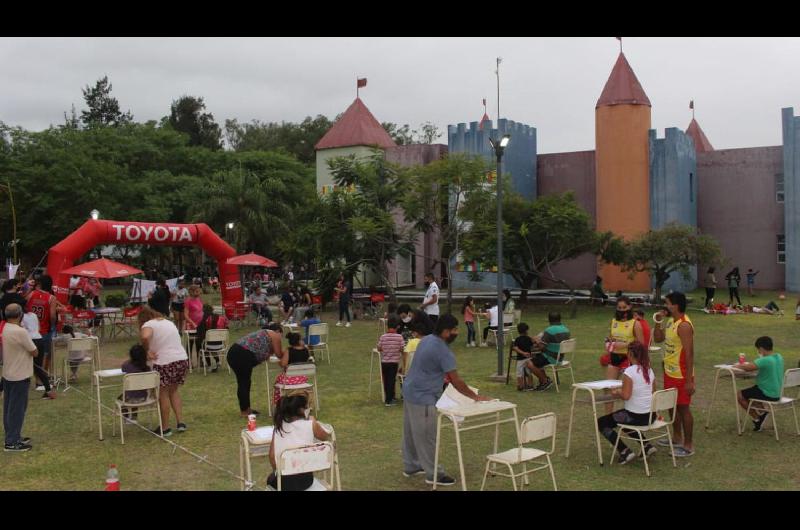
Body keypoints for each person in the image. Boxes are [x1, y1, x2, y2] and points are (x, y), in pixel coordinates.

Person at [402, 314, 491, 486]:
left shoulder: (426, 339)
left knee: (412, 432)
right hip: (423, 396)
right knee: (427, 436)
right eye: (454, 330)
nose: (457, 332)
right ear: (445, 332)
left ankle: (411, 465)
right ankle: (434, 474)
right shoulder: (443, 351)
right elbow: (456, 381)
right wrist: (475, 397)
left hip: (410, 390)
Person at [597, 341, 657, 464]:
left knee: (602, 423)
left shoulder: (629, 371)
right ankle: (646, 445)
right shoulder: (649, 370)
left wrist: (617, 392)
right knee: (621, 418)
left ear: (630, 354)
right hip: (651, 416)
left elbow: (626, 396)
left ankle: (624, 451)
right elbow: (653, 392)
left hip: (636, 417)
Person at [653, 291, 695, 457]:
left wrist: (689, 380)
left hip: (681, 373)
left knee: (683, 408)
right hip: (669, 371)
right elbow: (658, 339)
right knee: (671, 405)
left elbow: (690, 353)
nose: (665, 306)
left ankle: (688, 445)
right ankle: (677, 437)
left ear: (675, 305)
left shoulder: (684, 325)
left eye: (667, 303)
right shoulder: (671, 321)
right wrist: (657, 322)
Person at [138, 305, 189, 437]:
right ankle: (180, 422)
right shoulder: (168, 322)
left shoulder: (148, 324)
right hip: (181, 359)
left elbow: (144, 337)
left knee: (163, 394)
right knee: (174, 391)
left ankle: (165, 428)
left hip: (164, 362)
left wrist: (147, 350)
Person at [268, 394, 331, 491]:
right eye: (307, 407)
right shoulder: (311, 423)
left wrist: (278, 471)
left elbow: (272, 457)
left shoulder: (278, 428)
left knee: (271, 478)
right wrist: (313, 420)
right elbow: (325, 436)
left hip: (283, 482)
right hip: (306, 480)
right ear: (301, 410)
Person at [227, 323, 285, 417]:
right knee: (244, 382)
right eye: (282, 334)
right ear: (278, 331)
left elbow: (269, 351)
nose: (281, 338)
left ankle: (246, 408)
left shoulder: (265, 334)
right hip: (241, 354)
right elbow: (279, 354)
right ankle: (244, 411)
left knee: (245, 382)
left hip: (236, 352)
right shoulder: (275, 335)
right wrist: (288, 352)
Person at [734, 336, 785, 431]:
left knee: (740, 395)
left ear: (761, 348)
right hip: (778, 392)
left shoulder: (765, 360)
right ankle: (763, 413)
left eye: (758, 350)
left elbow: (749, 367)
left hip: (767, 392)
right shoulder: (779, 357)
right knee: (754, 392)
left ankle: (757, 418)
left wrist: (737, 365)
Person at [24, 275, 58, 385]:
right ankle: (41, 380)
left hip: (29, 331)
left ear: (40, 284)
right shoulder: (51, 298)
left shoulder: (31, 294)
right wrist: (52, 325)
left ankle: (30, 378)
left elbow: (23, 306)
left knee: (30, 356)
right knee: (45, 355)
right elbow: (53, 316)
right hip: (44, 330)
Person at [529, 312, 571, 391]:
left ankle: (545, 381)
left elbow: (541, 347)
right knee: (538, 359)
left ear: (549, 320)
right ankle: (544, 379)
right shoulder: (566, 330)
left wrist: (537, 341)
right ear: (560, 319)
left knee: (529, 363)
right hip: (560, 357)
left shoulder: (549, 330)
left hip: (551, 358)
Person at [21, 305, 55, 399]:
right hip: (39, 339)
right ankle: (47, 389)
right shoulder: (33, 315)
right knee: (38, 367)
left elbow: (21, 330)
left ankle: (47, 389)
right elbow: (38, 327)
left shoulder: (21, 316)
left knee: (32, 367)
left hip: (31, 340)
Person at [272, 332, 312, 406]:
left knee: (276, 384)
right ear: (299, 341)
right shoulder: (306, 350)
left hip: (288, 379)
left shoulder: (289, 350)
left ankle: (279, 403)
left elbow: (283, 364)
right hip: (302, 379)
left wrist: (279, 361)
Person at [118, 344, 152, 422]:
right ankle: (134, 417)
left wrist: (130, 360)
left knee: (122, 398)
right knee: (136, 392)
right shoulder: (147, 368)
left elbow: (123, 367)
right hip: (144, 397)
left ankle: (126, 417)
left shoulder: (127, 366)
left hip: (129, 398)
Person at [377, 315, 405, 406]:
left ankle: (390, 396)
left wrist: (384, 350)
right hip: (394, 363)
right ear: (397, 327)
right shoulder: (399, 337)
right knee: (391, 380)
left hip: (384, 362)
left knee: (386, 380)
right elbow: (402, 349)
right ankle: (389, 400)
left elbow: (379, 347)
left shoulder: (383, 337)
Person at [196, 304, 229, 372]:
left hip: (209, 346)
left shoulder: (203, 319)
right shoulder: (220, 318)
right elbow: (226, 328)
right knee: (212, 343)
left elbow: (200, 333)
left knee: (203, 345)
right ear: (212, 310)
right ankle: (217, 361)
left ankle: (209, 365)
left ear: (203, 310)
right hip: (221, 345)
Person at [512, 323, 535, 391]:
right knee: (529, 372)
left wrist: (522, 353)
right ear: (526, 331)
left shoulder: (517, 339)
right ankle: (530, 385)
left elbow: (515, 348)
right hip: (528, 358)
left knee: (519, 373)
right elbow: (533, 345)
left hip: (520, 359)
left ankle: (520, 385)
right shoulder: (529, 339)